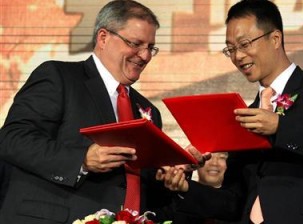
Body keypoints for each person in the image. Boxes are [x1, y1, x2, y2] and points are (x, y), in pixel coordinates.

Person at [156, 0, 303, 224]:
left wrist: (279, 127)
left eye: (244, 44)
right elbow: (234, 203)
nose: (238, 56)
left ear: (275, 39)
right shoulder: (245, 115)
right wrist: (187, 188)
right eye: (231, 49)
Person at [0, 0, 174, 223]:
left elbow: (139, 184)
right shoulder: (58, 76)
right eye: (136, 43)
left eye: (151, 47)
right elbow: (12, 140)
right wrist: (82, 160)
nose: (145, 56)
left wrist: (170, 174)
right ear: (103, 37)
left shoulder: (148, 111)